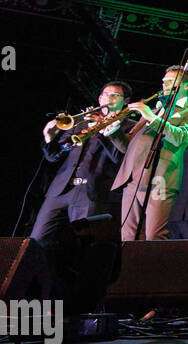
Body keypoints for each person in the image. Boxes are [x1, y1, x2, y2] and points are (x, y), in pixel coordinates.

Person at [31, 81, 135, 293]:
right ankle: (36, 293)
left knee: (84, 249)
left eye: (115, 96)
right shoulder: (80, 124)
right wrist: (49, 138)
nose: (108, 99)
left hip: (92, 193)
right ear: (99, 99)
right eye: (105, 95)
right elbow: (53, 156)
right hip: (61, 190)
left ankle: (77, 300)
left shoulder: (129, 126)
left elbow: (120, 157)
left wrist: (105, 127)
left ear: (126, 102)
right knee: (38, 241)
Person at [112, 66, 188, 240]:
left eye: (170, 81)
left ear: (186, 85)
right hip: (133, 179)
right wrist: (114, 132)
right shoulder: (154, 110)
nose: (165, 85)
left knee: (154, 236)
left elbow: (180, 137)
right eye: (164, 81)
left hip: (160, 181)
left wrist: (150, 117)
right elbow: (128, 147)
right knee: (128, 236)